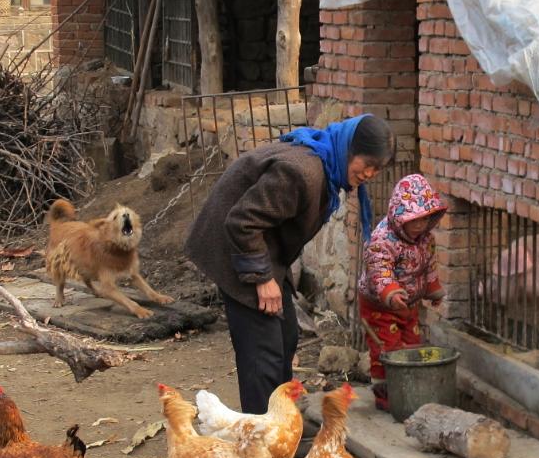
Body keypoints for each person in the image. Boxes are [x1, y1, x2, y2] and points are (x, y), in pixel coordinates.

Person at [184, 115, 396, 414]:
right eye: (368, 164)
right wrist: (261, 278)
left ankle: (280, 423)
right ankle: (262, 435)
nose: (371, 174)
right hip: (234, 248)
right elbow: (242, 221)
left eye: (378, 169)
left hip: (260, 250)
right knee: (263, 351)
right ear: (350, 149)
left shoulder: (325, 164)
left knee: (285, 336)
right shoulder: (302, 173)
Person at [358, 174, 448, 411]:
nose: (420, 225)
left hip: (409, 304)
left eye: (425, 219)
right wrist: (390, 292)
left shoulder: (425, 239)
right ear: (399, 217)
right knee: (386, 348)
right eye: (414, 220)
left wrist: (433, 290)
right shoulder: (382, 239)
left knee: (411, 343)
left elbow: (428, 267)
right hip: (380, 306)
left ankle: (408, 387)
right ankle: (384, 392)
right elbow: (379, 269)